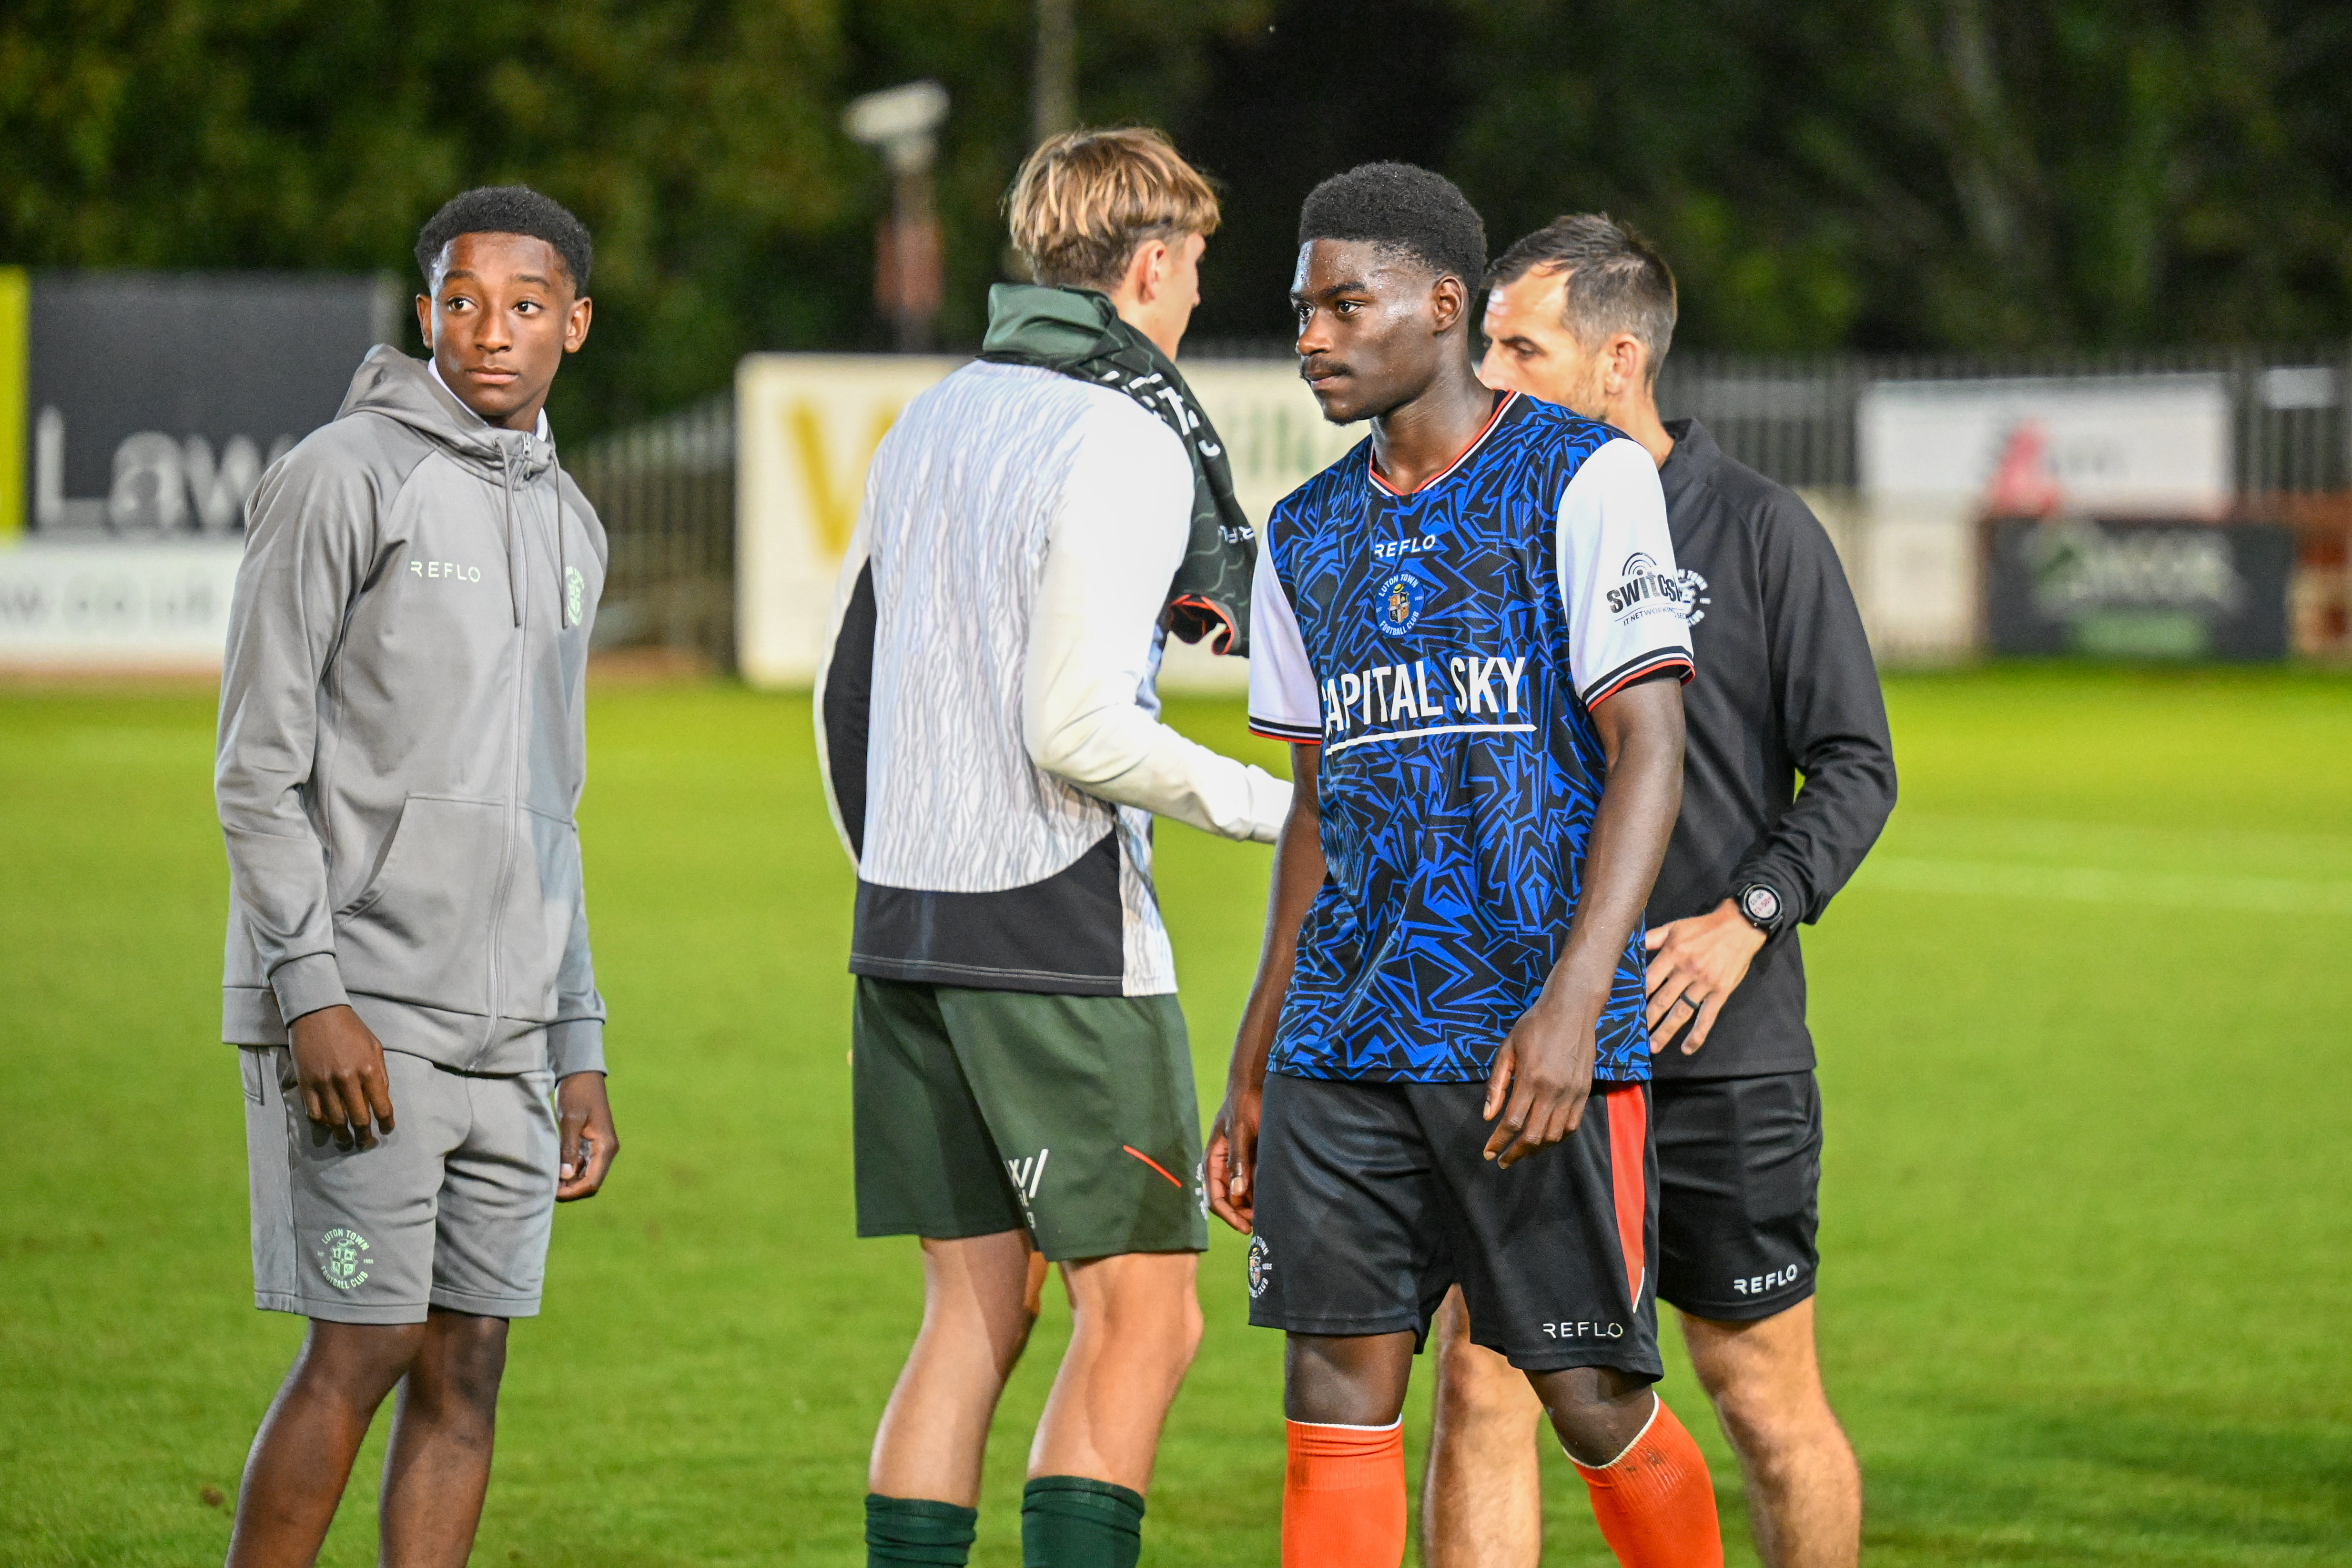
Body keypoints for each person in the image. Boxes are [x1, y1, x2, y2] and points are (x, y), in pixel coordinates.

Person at [1206, 162, 1723, 1568]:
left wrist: (1575, 1001)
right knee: (1334, 1391)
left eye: (1342, 305)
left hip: (1526, 1036)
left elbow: (1651, 749)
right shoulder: (1305, 532)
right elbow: (1317, 807)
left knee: (1593, 1396)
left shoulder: (1586, 475)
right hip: (1345, 1038)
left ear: (1444, 306)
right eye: (1300, 309)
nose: (1310, 335)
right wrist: (1259, 1052)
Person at [814, 127, 1289, 1568]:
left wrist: (895, 871)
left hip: (904, 929)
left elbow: (849, 688)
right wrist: (1285, 810)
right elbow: (1077, 726)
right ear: (1149, 267)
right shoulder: (1126, 432)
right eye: (1195, 269)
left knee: (971, 1313)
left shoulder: (938, 414)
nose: (1197, 299)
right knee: (1145, 1316)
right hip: (1056, 937)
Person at [1423, 213, 1897, 1568]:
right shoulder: (1481, 527)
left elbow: (1858, 765)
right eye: (1486, 342)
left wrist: (1752, 914)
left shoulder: (1755, 531)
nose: (1492, 374)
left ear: (1619, 359)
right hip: (1528, 1041)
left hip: (1714, 1048)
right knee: (1483, 1379)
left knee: (1759, 1393)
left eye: (1524, 345)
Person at [215, 184, 618, 1568]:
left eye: (521, 305)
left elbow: (550, 806)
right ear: (424, 308)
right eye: (459, 299)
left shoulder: (572, 524)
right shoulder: (343, 475)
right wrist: (309, 988)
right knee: (368, 1341)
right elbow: (256, 767)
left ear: (575, 320)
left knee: (470, 1363)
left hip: (511, 1030)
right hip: (366, 1010)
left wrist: (578, 1039)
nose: (487, 332)